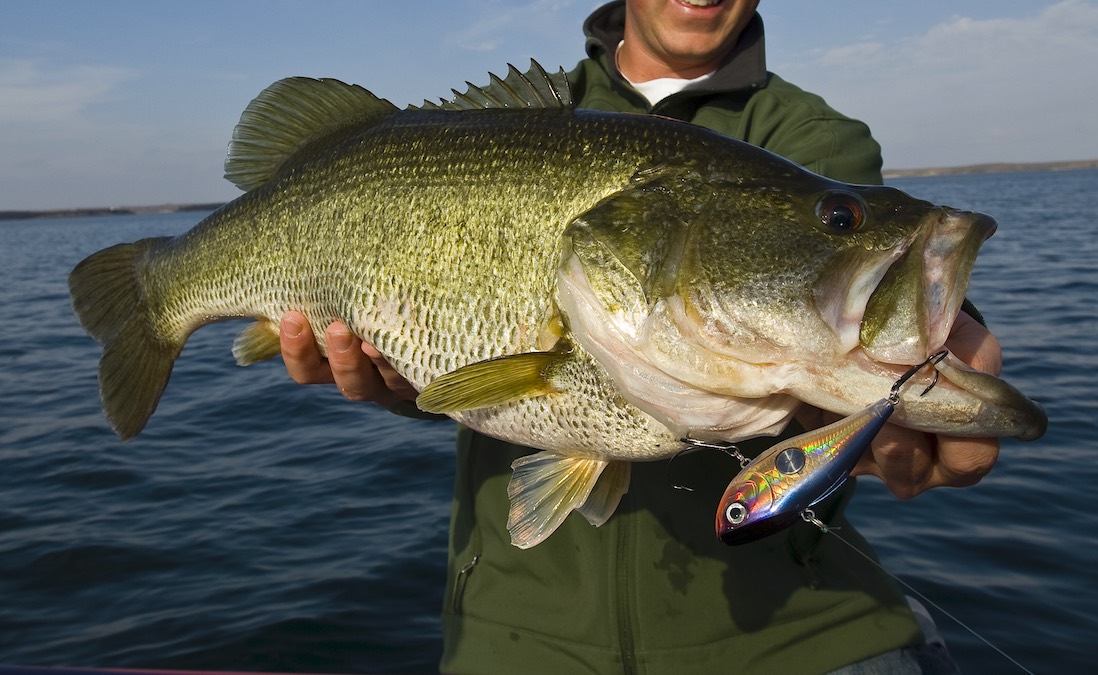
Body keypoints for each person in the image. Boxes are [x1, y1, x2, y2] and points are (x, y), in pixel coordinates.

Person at [280, 1, 1000, 672]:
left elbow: (840, 317)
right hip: (515, 639)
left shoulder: (815, 138)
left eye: (837, 219)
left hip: (796, 637)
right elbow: (463, 376)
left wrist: (944, 356)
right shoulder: (521, 120)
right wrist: (398, 384)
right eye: (836, 218)